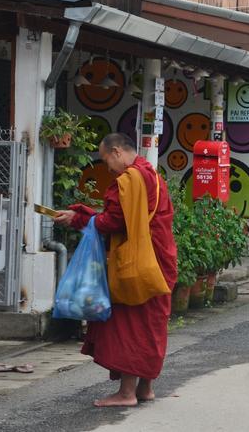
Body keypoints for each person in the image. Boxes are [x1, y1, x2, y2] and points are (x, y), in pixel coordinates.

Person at [54, 133, 177, 407]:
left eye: (106, 159)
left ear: (118, 151)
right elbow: (126, 216)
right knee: (151, 324)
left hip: (137, 263)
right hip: (159, 259)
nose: (107, 166)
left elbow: (113, 222)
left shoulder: (130, 180)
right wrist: (85, 213)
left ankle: (126, 393)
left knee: (130, 322)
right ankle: (145, 388)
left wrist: (79, 219)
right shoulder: (153, 177)